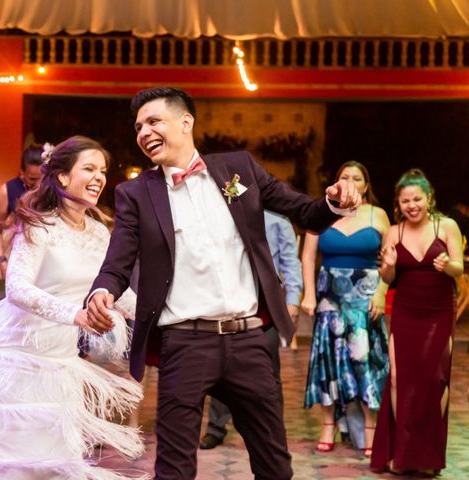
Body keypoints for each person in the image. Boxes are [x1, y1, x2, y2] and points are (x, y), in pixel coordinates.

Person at [86, 87, 361, 480]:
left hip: (248, 339)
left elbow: (305, 211)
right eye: (138, 127)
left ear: (186, 122)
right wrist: (102, 292)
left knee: (274, 465)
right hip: (184, 343)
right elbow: (117, 262)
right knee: (174, 469)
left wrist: (335, 202)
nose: (143, 132)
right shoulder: (136, 193)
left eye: (153, 121)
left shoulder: (239, 169)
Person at [0, 136, 145, 480]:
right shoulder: (39, 225)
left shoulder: (99, 231)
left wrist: (160, 316)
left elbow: (115, 291)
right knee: (21, 463)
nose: (99, 177)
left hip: (61, 361)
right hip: (21, 358)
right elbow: (16, 288)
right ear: (62, 177)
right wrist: (74, 314)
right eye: (88, 168)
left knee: (58, 459)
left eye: (102, 170)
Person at [371, 169, 462, 475]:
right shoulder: (393, 233)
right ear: (398, 203)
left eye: (417, 199)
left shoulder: (446, 225)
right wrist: (389, 266)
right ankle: (401, 453)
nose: (412, 205)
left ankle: (428, 456)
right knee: (399, 379)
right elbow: (387, 278)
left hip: (438, 310)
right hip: (406, 310)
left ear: (429, 199)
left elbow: (459, 270)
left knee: (434, 381)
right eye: (405, 200)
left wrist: (447, 264)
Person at [301, 161, 390, 457]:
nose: (350, 181)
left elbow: (391, 258)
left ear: (366, 185)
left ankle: (371, 426)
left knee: (364, 359)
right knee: (328, 357)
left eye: (357, 178)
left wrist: (381, 293)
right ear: (335, 182)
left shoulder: (378, 215)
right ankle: (328, 424)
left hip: (365, 297)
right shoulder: (322, 211)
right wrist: (309, 296)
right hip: (330, 295)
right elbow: (308, 257)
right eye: (344, 177)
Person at [199, 210, 302, 450]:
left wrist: (293, 300)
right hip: (226, 305)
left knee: (269, 373)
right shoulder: (221, 212)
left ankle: (273, 431)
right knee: (220, 367)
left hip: (265, 307)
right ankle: (216, 428)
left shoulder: (278, 221)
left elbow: (290, 262)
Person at [0, 143, 49, 278]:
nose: (38, 184)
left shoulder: (55, 192)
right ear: (22, 172)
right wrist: (1, 261)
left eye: (42, 178)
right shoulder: (8, 190)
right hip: (20, 262)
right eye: (32, 179)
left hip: (49, 262)